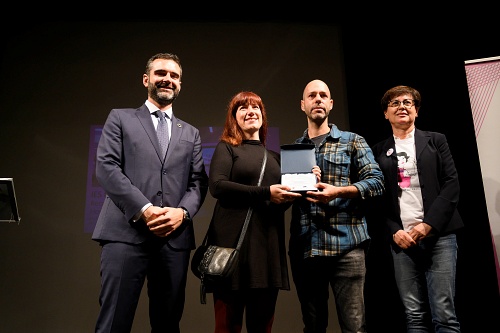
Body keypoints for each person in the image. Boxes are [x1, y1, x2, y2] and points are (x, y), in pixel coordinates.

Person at [92, 52, 209, 333]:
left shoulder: (191, 133)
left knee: (168, 324)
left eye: (174, 76)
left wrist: (181, 213)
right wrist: (145, 210)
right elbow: (106, 168)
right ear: (147, 79)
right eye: (161, 73)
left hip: (173, 240)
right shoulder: (120, 118)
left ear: (180, 85)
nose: (167, 79)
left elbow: (198, 183)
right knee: (113, 323)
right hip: (125, 234)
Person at [205, 91, 310, 333]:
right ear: (234, 117)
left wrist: (306, 184)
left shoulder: (276, 158)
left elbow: (282, 201)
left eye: (256, 107)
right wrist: (265, 192)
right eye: (243, 108)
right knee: (226, 327)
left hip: (266, 252)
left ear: (263, 116)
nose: (250, 111)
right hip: (231, 251)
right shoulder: (226, 148)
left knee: (262, 328)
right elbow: (217, 186)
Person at [288, 79, 385, 333]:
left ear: (331, 104)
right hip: (307, 248)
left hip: (347, 247)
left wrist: (337, 191)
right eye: (312, 95)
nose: (317, 99)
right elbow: (288, 197)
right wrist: (301, 185)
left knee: (354, 327)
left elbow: (376, 182)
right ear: (303, 104)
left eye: (323, 95)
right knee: (313, 327)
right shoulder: (294, 150)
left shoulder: (353, 141)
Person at [371, 85, 463, 332]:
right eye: (395, 103)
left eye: (407, 102)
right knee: (414, 315)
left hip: (439, 236)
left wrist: (428, 224)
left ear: (417, 111)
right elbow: (376, 198)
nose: (402, 106)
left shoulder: (436, 140)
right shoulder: (378, 150)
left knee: (445, 314)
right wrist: (393, 230)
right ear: (386, 114)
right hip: (402, 240)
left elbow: (452, 184)